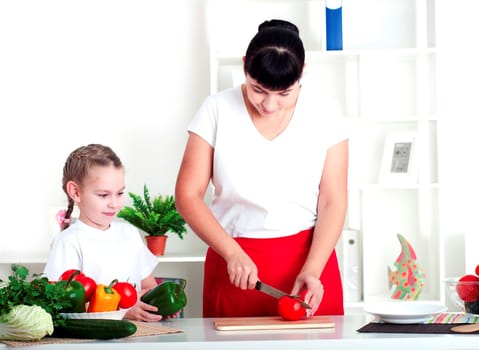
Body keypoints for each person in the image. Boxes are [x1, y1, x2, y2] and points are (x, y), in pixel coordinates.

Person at [175, 19, 349, 318]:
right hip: (234, 265)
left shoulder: (325, 112)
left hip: (310, 264)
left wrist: (313, 269)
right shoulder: (216, 109)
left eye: (284, 93)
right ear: (245, 65)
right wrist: (231, 252)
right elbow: (188, 195)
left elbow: (332, 199)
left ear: (301, 73)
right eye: (258, 90)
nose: (269, 104)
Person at [44, 144, 164, 322]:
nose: (114, 204)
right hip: (95, 339)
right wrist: (122, 311)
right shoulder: (69, 241)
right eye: (103, 195)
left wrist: (158, 304)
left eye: (120, 193)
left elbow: (148, 284)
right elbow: (60, 303)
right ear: (75, 192)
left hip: (139, 334)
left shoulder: (129, 233)